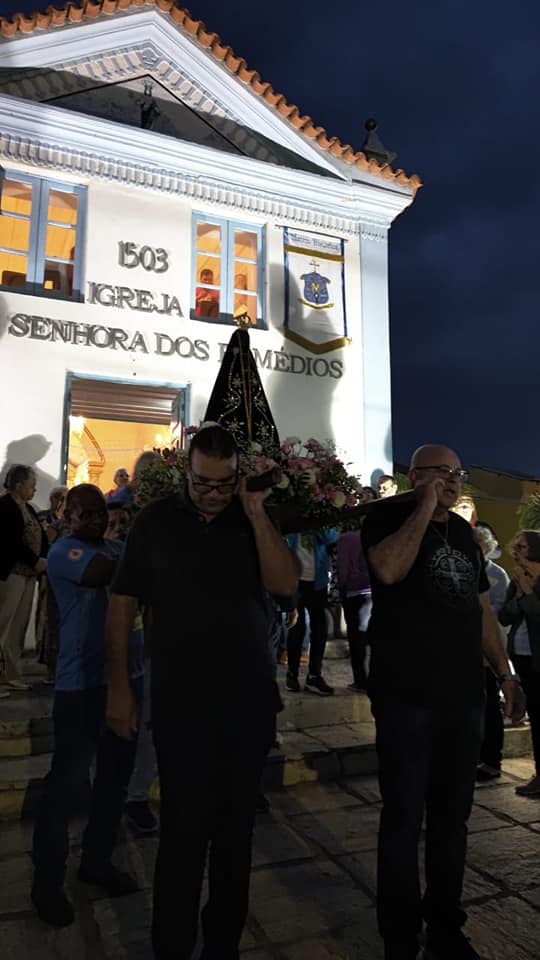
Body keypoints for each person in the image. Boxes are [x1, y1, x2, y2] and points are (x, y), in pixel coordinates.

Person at [105, 424, 298, 960]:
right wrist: (119, 688)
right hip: (180, 703)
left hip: (248, 702)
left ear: (237, 476)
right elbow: (122, 603)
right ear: (185, 471)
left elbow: (284, 583)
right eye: (201, 483)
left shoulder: (251, 518)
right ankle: (172, 946)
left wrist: (256, 513)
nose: (211, 494)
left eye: (222, 484)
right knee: (183, 837)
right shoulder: (156, 521)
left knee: (235, 838)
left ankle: (222, 947)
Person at [362, 444, 525, 960]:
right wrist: (421, 506)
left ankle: (447, 926)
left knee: (453, 820)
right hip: (406, 696)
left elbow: (480, 610)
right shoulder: (386, 517)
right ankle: (399, 935)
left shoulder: (464, 535)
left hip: (462, 698)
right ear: (416, 476)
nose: (453, 482)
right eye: (441, 474)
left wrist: (504, 673)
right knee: (404, 818)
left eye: (458, 475)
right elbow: (388, 570)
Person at [31, 484, 144, 927]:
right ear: (68, 517)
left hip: (126, 682)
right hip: (81, 688)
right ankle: (46, 883)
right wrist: (141, 560)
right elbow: (107, 574)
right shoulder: (64, 552)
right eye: (86, 513)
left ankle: (96, 862)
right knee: (66, 786)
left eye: (102, 512)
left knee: (114, 780)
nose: (97, 519)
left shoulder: (116, 547)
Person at [0, 465, 48, 696]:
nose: (34, 489)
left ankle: (10, 674)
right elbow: (9, 542)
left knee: (17, 627)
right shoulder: (5, 507)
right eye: (31, 485)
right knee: (3, 624)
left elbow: (37, 535)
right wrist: (34, 560)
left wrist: (44, 559)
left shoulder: (27, 507)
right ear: (18, 486)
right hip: (11, 574)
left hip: (28, 575)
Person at [499, 529, 540, 797]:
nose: (517, 553)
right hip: (522, 657)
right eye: (516, 548)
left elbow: (538, 614)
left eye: (522, 548)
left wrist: (527, 592)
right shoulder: (516, 580)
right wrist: (520, 595)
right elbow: (504, 616)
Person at [473, 524, 510, 781]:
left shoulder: (497, 575)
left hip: (487, 650)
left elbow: (498, 612)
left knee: (489, 707)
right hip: (467, 650)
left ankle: (491, 758)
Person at [286, 528, 338, 696]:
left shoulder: (321, 512)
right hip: (295, 580)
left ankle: (314, 675)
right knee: (296, 628)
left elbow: (332, 538)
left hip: (318, 582)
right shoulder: (292, 519)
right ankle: (292, 674)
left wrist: (318, 523)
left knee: (320, 630)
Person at [36, 486, 68, 684]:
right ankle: (50, 665)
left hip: (70, 579)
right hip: (53, 576)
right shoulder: (54, 523)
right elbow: (44, 545)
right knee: (51, 621)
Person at [336, 528, 371, 691]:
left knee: (356, 639)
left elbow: (342, 570)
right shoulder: (371, 534)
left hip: (354, 592)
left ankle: (361, 681)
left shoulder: (345, 539)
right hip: (373, 590)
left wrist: (342, 590)